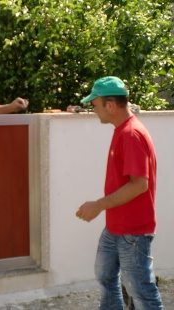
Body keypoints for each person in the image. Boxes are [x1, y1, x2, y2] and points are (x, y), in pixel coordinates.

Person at [76, 76, 163, 309]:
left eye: (95, 105)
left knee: (142, 292)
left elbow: (139, 184)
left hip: (133, 232)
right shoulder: (122, 129)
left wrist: (98, 205)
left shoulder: (131, 134)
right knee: (105, 276)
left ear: (110, 105)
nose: (94, 110)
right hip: (116, 227)